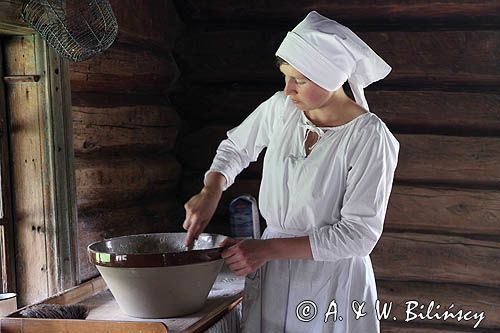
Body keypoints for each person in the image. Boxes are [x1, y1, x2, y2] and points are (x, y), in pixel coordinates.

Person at [182, 11, 399, 333]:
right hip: (274, 272)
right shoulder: (282, 109)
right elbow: (236, 148)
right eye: (286, 76)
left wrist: (266, 250)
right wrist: (211, 190)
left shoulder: (368, 136)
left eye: (299, 80)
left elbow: (358, 236)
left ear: (332, 77)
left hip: (331, 281)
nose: (288, 90)